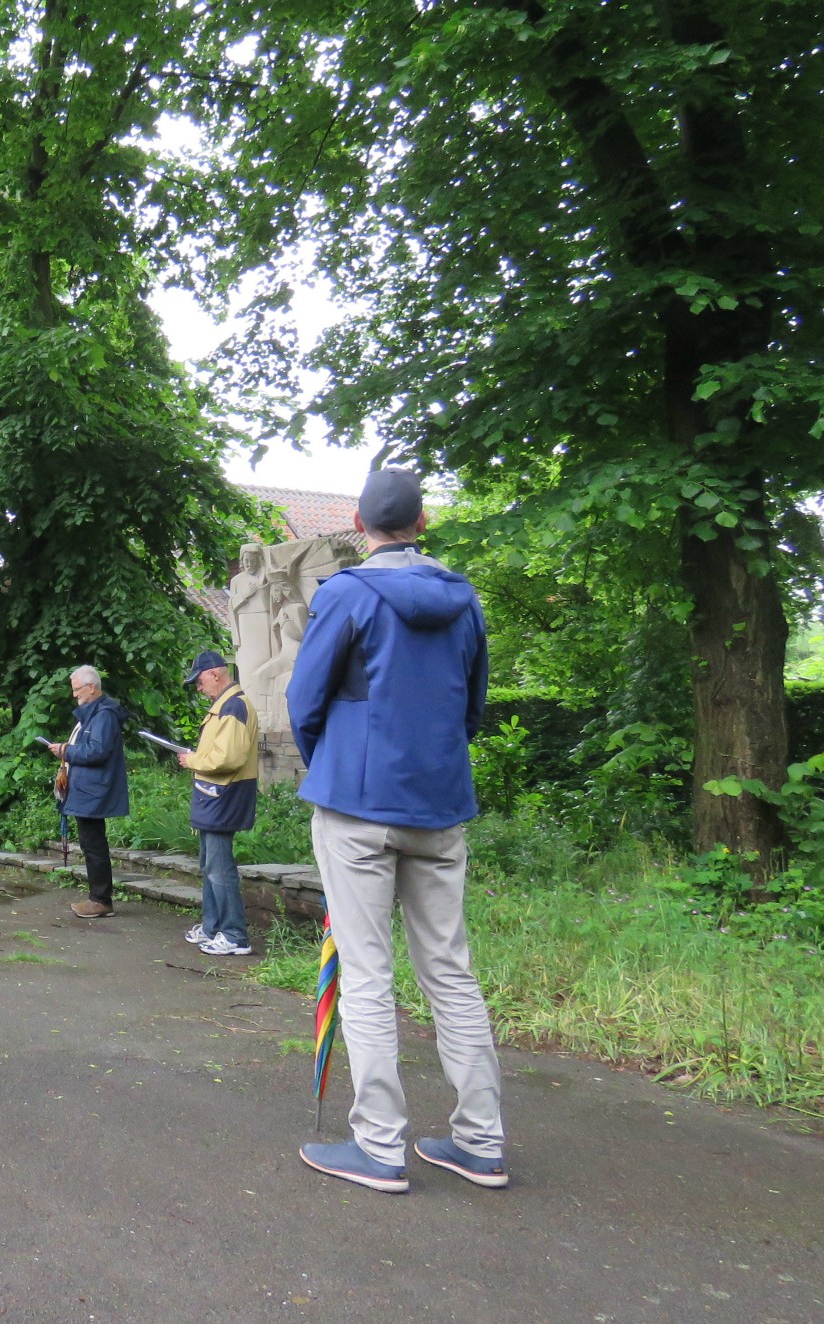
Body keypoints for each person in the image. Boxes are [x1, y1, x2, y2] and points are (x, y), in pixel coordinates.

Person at [286, 467, 506, 1195]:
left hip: (356, 806)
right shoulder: (464, 598)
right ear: (421, 523)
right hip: (440, 806)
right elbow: (472, 708)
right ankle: (481, 1141)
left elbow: (304, 701)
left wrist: (334, 769)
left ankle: (379, 1148)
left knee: (369, 974)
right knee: (451, 970)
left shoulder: (346, 594)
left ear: (358, 520)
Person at [173, 651, 260, 955]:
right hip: (216, 797)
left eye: (198, 680)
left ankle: (235, 935)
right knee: (210, 866)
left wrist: (192, 759)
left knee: (220, 869)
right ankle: (212, 928)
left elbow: (229, 758)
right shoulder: (225, 706)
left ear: (215, 674)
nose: (198, 687)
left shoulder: (233, 706)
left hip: (224, 797)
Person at [49, 665, 128, 919]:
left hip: (94, 791)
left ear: (91, 687)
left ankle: (100, 900)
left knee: (94, 845)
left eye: (77, 690)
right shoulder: (94, 715)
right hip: (88, 790)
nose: (75, 695)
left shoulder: (103, 716)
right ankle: (98, 897)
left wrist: (66, 751)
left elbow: (97, 752)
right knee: (90, 843)